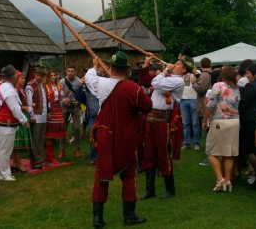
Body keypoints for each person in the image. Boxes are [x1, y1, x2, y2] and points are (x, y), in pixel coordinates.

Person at [85, 52, 153, 228]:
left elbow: (88, 77)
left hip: (105, 136)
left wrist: (95, 66)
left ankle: (97, 219)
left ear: (110, 67)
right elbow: (147, 106)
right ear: (126, 70)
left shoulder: (100, 83)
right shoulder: (133, 88)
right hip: (126, 137)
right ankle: (129, 216)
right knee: (129, 176)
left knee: (102, 175)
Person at [138, 53, 192, 200]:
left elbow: (156, 84)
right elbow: (144, 80)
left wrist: (164, 71)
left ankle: (170, 188)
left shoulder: (178, 81)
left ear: (184, 71)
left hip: (163, 121)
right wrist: (146, 64)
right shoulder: (164, 76)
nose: (175, 64)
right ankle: (150, 189)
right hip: (151, 119)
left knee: (163, 153)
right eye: (175, 62)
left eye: (179, 64)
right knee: (149, 153)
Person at [204, 65, 240, 192]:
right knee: (229, 152)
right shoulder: (237, 88)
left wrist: (205, 120)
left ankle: (220, 179)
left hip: (219, 121)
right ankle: (228, 179)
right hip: (234, 121)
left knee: (210, 151)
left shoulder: (218, 85)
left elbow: (211, 105)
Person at [0, 65, 29, 181]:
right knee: (5, 151)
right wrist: (24, 120)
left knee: (4, 150)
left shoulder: (0, 86)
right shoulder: (8, 89)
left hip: (0, 121)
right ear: (13, 77)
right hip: (5, 123)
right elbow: (15, 108)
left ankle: (5, 172)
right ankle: (3, 175)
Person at [25, 67, 48, 169]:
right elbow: (29, 103)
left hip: (43, 116)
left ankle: (41, 159)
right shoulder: (30, 86)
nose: (39, 77)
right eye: (37, 75)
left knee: (41, 139)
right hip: (36, 117)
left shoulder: (43, 86)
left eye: (41, 76)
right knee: (35, 140)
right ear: (34, 75)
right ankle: (36, 161)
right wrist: (32, 116)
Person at [59, 65, 82, 158]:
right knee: (62, 128)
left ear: (75, 72)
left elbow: (83, 94)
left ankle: (77, 149)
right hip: (65, 105)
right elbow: (58, 94)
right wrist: (64, 100)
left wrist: (78, 101)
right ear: (66, 72)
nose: (70, 73)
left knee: (76, 128)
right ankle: (62, 150)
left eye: (72, 71)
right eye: (68, 71)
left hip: (75, 106)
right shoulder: (62, 81)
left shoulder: (79, 81)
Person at [12, 71, 33, 173]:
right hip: (18, 116)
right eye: (21, 78)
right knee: (17, 141)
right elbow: (14, 105)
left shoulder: (21, 89)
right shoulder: (15, 90)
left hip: (24, 114)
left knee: (18, 141)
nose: (23, 80)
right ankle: (18, 163)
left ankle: (15, 163)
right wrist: (24, 107)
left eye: (24, 78)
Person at [44, 69, 66, 165]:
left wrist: (65, 100)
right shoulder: (46, 87)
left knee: (54, 133)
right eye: (51, 75)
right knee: (50, 133)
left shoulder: (59, 86)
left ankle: (49, 155)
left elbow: (61, 98)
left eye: (54, 75)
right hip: (51, 109)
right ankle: (49, 155)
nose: (53, 77)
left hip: (58, 109)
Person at [180, 67, 200, 150]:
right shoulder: (181, 73)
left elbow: (199, 75)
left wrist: (191, 68)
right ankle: (186, 143)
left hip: (194, 99)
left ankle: (196, 143)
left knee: (195, 123)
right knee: (185, 123)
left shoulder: (197, 72)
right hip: (183, 99)